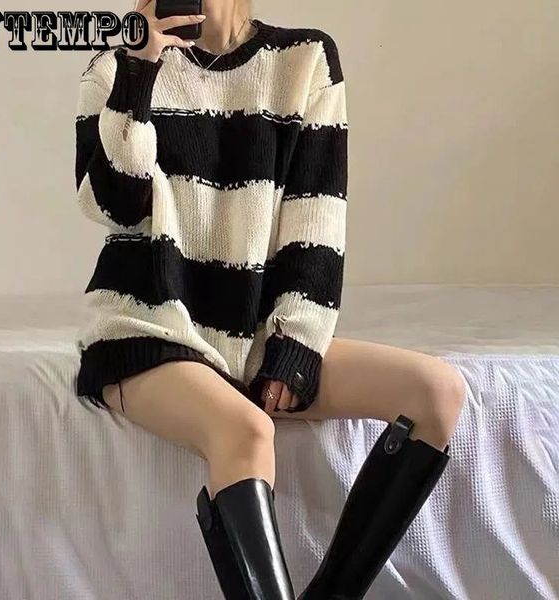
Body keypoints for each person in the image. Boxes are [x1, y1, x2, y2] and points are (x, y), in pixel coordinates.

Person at [73, 0, 466, 597]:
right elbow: (116, 207)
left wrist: (296, 343)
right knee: (246, 431)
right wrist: (139, 72)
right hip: (148, 328)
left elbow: (317, 220)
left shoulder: (305, 60)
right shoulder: (115, 67)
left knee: (437, 392)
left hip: (253, 335)